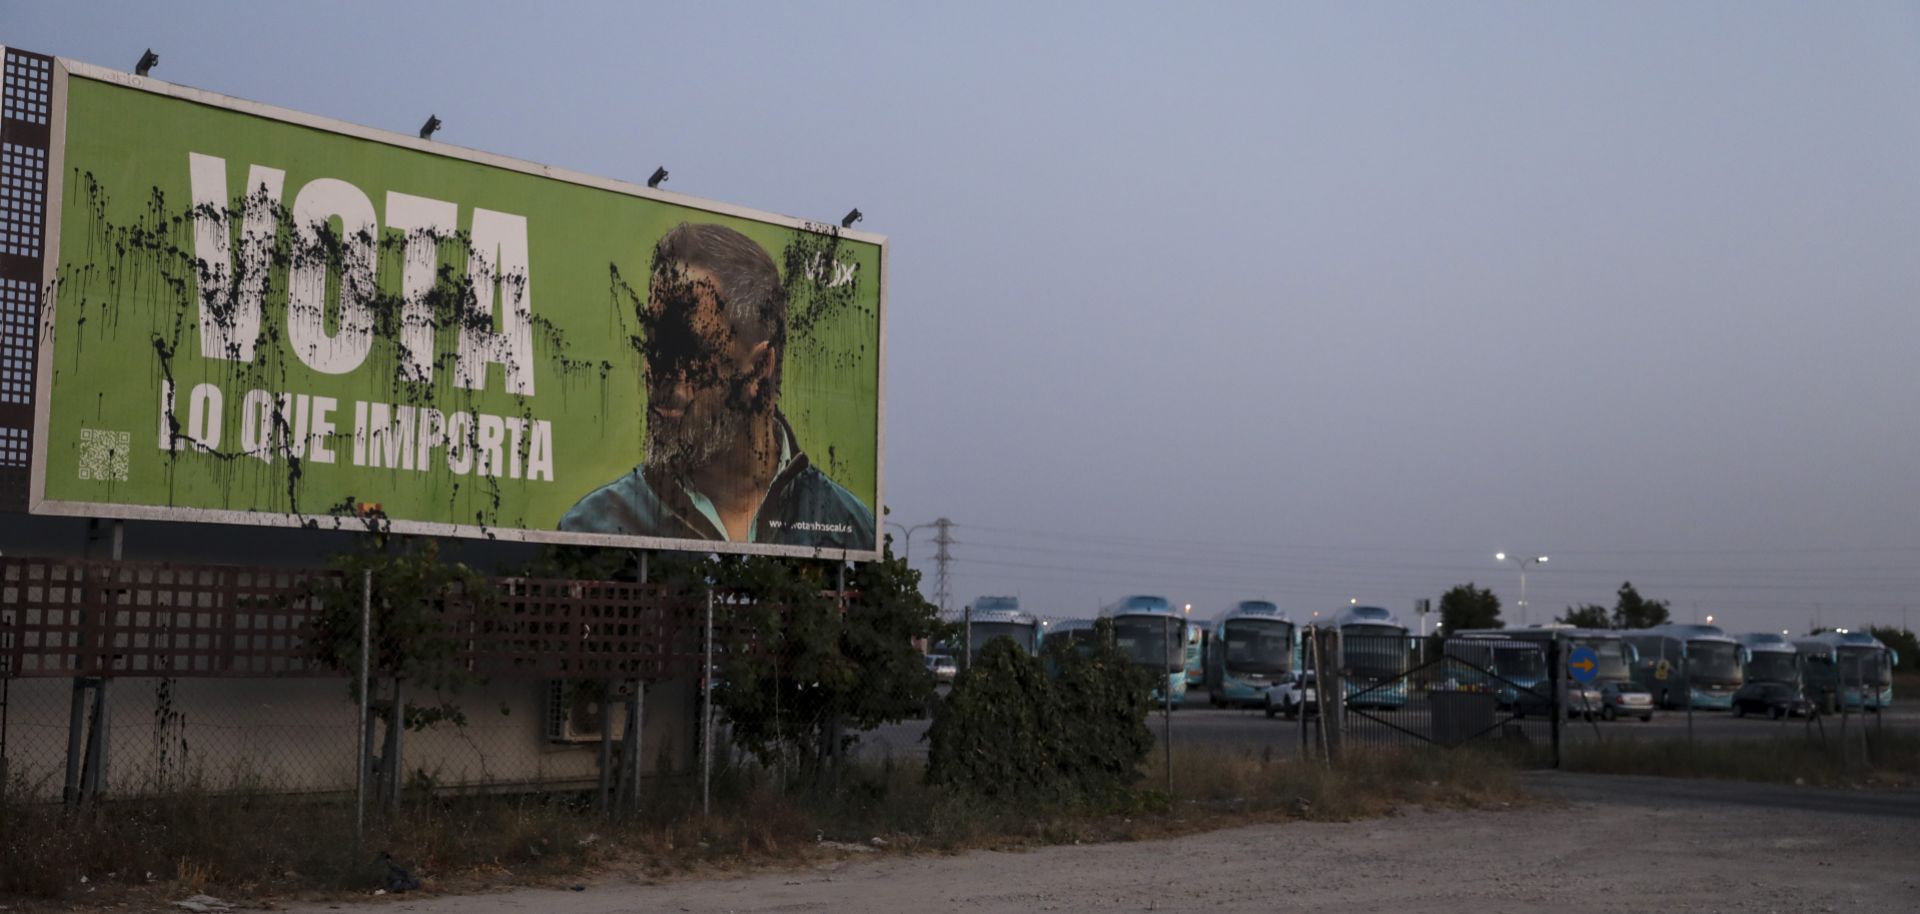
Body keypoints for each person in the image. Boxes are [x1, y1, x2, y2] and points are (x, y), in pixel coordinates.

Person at [560, 222, 874, 549]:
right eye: (654, 343)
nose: (660, 371)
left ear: (759, 369)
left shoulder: (845, 525)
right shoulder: (594, 525)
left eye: (688, 348)